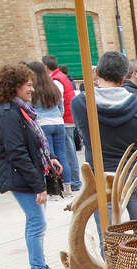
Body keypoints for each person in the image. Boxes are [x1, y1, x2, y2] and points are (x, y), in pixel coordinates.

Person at [0, 63, 68, 269]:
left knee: (36, 222)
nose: (32, 89)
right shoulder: (7, 114)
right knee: (37, 222)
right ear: (14, 86)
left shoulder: (20, 109)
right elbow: (17, 153)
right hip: (21, 178)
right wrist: (38, 186)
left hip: (29, 175)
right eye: (28, 85)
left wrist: (51, 157)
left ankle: (40, 264)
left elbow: (36, 138)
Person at [71, 51, 137, 220]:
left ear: (97, 73)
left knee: (108, 238)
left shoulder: (81, 104)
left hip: (101, 174)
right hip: (133, 172)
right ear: (123, 79)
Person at [28, 61, 73, 197]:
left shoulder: (33, 88)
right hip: (58, 123)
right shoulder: (53, 86)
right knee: (62, 156)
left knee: (49, 157)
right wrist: (57, 115)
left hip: (42, 124)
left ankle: (55, 188)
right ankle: (68, 187)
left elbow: (30, 109)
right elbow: (61, 107)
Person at [42, 55, 80, 191]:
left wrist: (59, 114)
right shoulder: (61, 77)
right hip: (65, 118)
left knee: (67, 153)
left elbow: (59, 102)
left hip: (63, 119)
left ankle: (74, 182)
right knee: (68, 152)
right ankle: (73, 181)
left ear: (45, 67)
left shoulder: (56, 80)